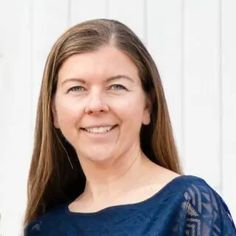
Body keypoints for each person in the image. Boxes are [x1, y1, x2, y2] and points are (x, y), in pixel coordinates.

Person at [24, 19, 236, 236]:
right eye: (77, 88)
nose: (96, 105)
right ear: (54, 112)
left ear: (147, 106)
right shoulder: (44, 229)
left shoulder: (189, 207)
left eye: (117, 86)